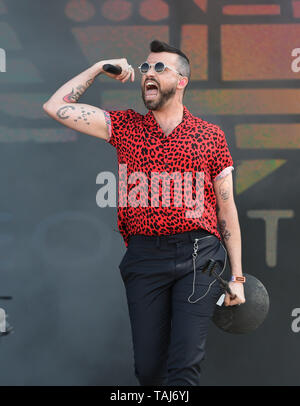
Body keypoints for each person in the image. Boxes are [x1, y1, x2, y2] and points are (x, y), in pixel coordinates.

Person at [43, 40, 246, 386]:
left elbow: (226, 208)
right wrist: (97, 68)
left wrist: (237, 277)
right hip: (144, 256)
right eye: (145, 68)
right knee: (150, 371)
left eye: (159, 68)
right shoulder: (125, 127)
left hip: (199, 255)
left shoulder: (209, 137)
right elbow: (54, 106)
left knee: (184, 369)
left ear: (181, 81)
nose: (148, 73)